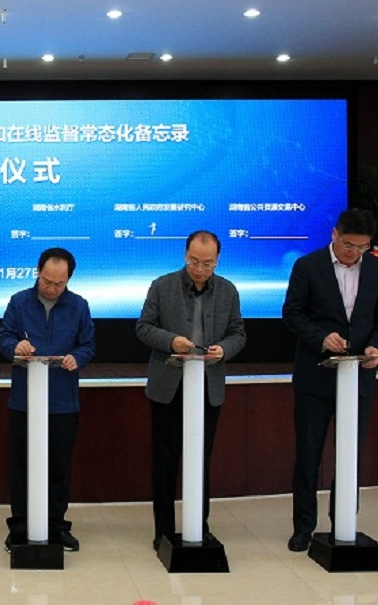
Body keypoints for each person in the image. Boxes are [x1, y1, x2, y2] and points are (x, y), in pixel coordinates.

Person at [283, 208, 378, 552]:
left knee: (351, 453)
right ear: (335, 234)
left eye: (362, 247)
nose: (354, 252)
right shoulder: (308, 266)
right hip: (315, 376)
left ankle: (343, 521)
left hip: (358, 377)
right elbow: (292, 313)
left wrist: (376, 346)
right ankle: (304, 527)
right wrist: (321, 337)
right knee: (309, 454)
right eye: (349, 245)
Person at [135, 230, 246, 551]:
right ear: (185, 255)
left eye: (207, 264)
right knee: (165, 461)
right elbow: (143, 327)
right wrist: (171, 341)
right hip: (169, 386)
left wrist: (224, 350)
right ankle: (164, 530)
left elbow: (238, 333)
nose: (199, 269)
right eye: (194, 261)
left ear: (218, 260)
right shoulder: (162, 285)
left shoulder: (228, 290)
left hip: (208, 387)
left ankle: (199, 525)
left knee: (201, 458)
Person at [0, 247, 95, 553]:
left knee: (58, 467)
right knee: (21, 466)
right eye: (47, 281)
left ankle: (56, 526)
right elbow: (3, 338)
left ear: (68, 280)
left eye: (59, 284)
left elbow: (88, 345)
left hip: (62, 401)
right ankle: (20, 527)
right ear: (37, 272)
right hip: (24, 401)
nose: (52, 288)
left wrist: (77, 358)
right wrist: (16, 346)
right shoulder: (19, 302)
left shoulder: (79, 306)